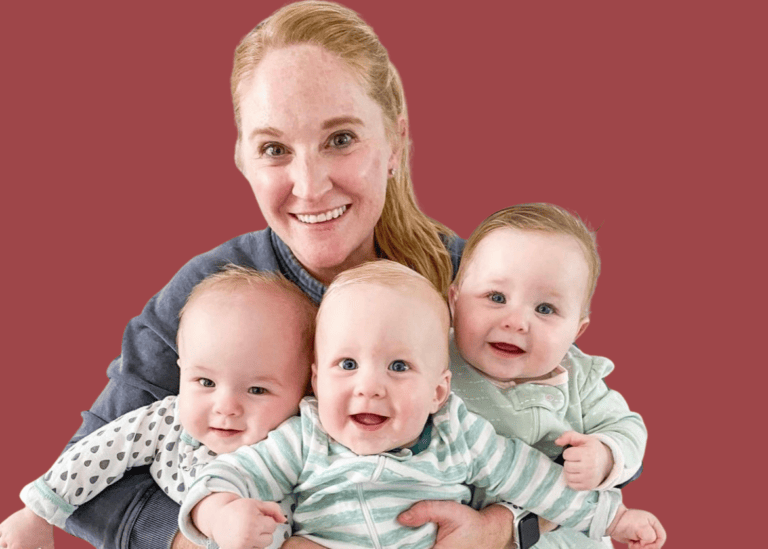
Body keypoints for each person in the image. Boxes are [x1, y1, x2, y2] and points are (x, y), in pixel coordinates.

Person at [22, 2, 529, 548]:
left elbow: (589, 448)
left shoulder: (479, 284)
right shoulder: (209, 293)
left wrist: (499, 531)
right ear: (243, 159)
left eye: (340, 139)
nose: (309, 186)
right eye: (274, 149)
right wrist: (217, 536)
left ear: (396, 141)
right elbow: (85, 472)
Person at [177, 260, 665, 549]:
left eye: (398, 367)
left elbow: (536, 479)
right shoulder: (305, 440)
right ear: (315, 380)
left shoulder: (461, 435)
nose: (369, 388)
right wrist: (220, 516)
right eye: (346, 365)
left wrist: (613, 518)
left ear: (439, 391)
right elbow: (222, 477)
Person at [0, 266, 317, 549]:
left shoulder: (306, 443)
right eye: (205, 382)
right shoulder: (168, 421)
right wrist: (36, 516)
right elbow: (95, 454)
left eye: (257, 389)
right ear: (182, 370)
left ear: (306, 389)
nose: (226, 407)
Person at [448, 203, 648, 548]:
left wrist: (605, 454)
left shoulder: (578, 376)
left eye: (545, 309)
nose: (516, 321)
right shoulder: (435, 360)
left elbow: (629, 427)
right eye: (496, 297)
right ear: (454, 301)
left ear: (576, 331)